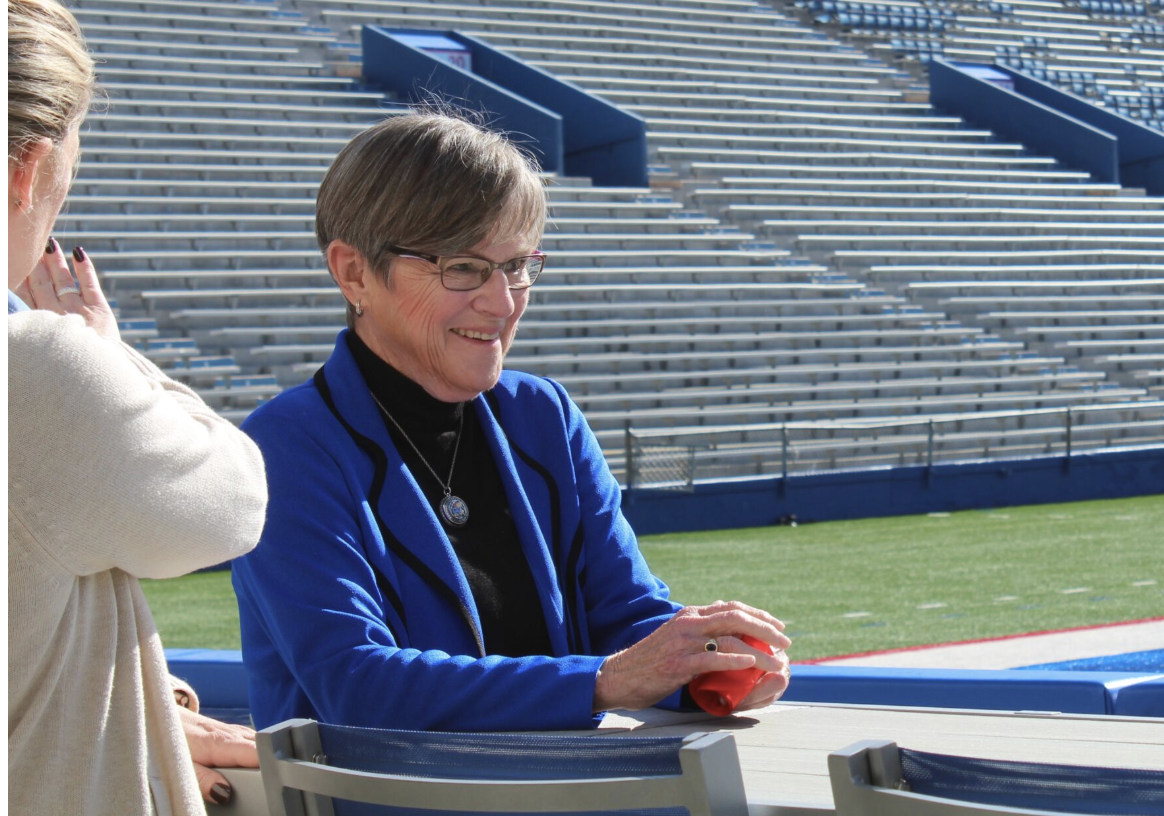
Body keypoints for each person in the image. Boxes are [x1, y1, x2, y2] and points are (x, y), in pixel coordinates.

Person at [232, 112, 791, 732]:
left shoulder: (543, 416)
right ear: (354, 271)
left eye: (518, 265)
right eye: (463, 268)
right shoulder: (282, 448)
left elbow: (625, 616)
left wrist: (709, 662)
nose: (502, 303)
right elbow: (357, 683)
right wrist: (605, 682)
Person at [8, 0, 270, 815]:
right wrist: (105, 353)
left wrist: (147, 699)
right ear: (28, 166)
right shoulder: (36, 372)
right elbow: (234, 502)